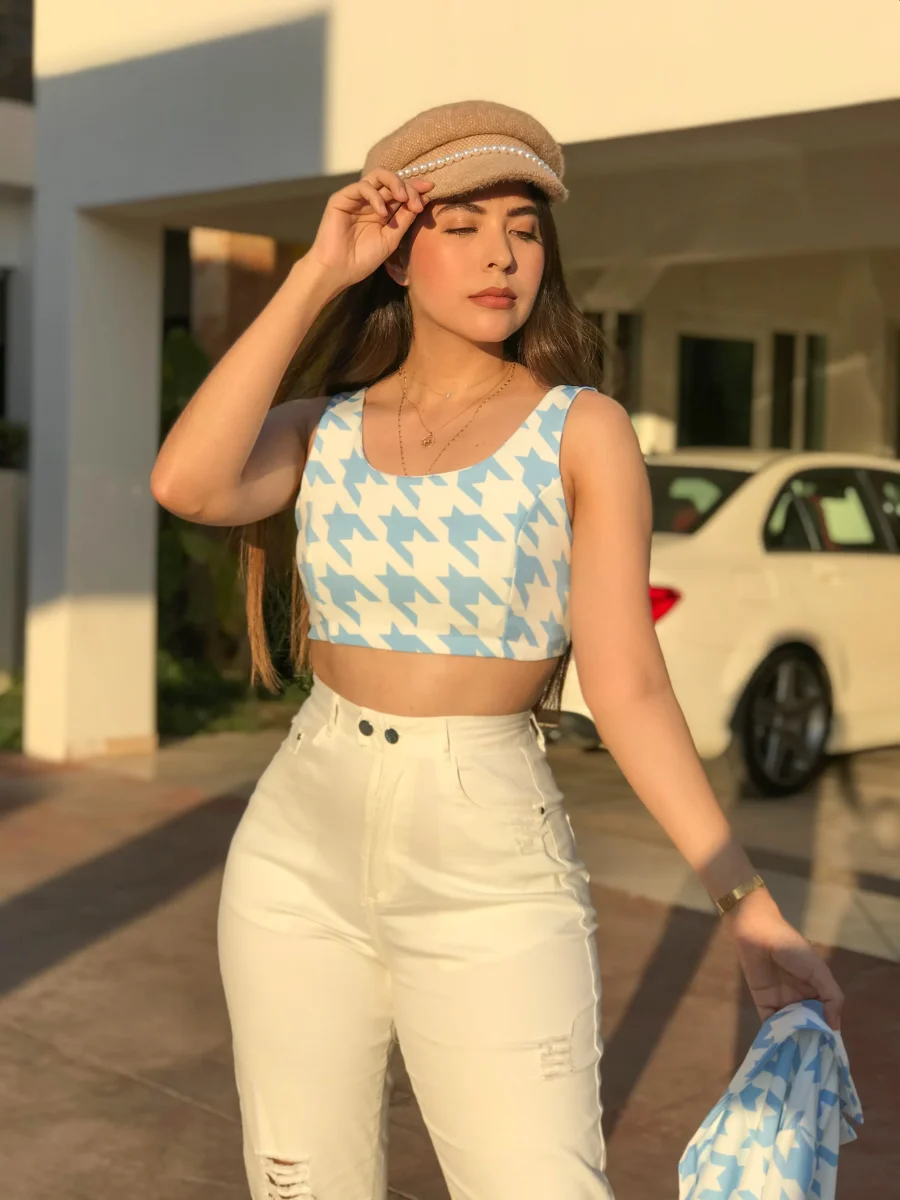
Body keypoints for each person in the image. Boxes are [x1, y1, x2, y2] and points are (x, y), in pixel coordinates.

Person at [150, 99, 844, 1200]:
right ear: (398, 252)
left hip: (489, 857)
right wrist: (317, 271)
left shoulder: (582, 429)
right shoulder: (325, 428)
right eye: (463, 225)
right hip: (299, 841)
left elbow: (629, 686)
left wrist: (745, 904)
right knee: (298, 1182)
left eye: (523, 229)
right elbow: (187, 483)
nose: (502, 256)